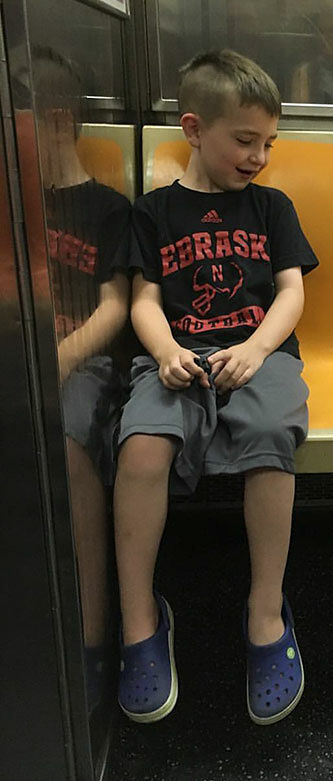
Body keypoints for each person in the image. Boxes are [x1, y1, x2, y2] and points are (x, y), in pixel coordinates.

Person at [115, 49, 318, 726]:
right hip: (177, 356)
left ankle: (265, 610)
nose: (258, 156)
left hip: (259, 354)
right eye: (244, 140)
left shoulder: (271, 207)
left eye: (268, 143)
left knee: (268, 439)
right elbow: (144, 299)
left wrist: (259, 348)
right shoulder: (155, 212)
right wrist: (167, 349)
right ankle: (142, 620)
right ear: (194, 128)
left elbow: (290, 292)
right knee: (142, 447)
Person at [24, 46, 131, 714]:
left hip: (83, 361)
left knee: (68, 438)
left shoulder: (106, 209)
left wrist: (54, 359)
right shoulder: (11, 203)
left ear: (56, 123)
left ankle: (93, 634)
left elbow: (114, 307)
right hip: (26, 357)